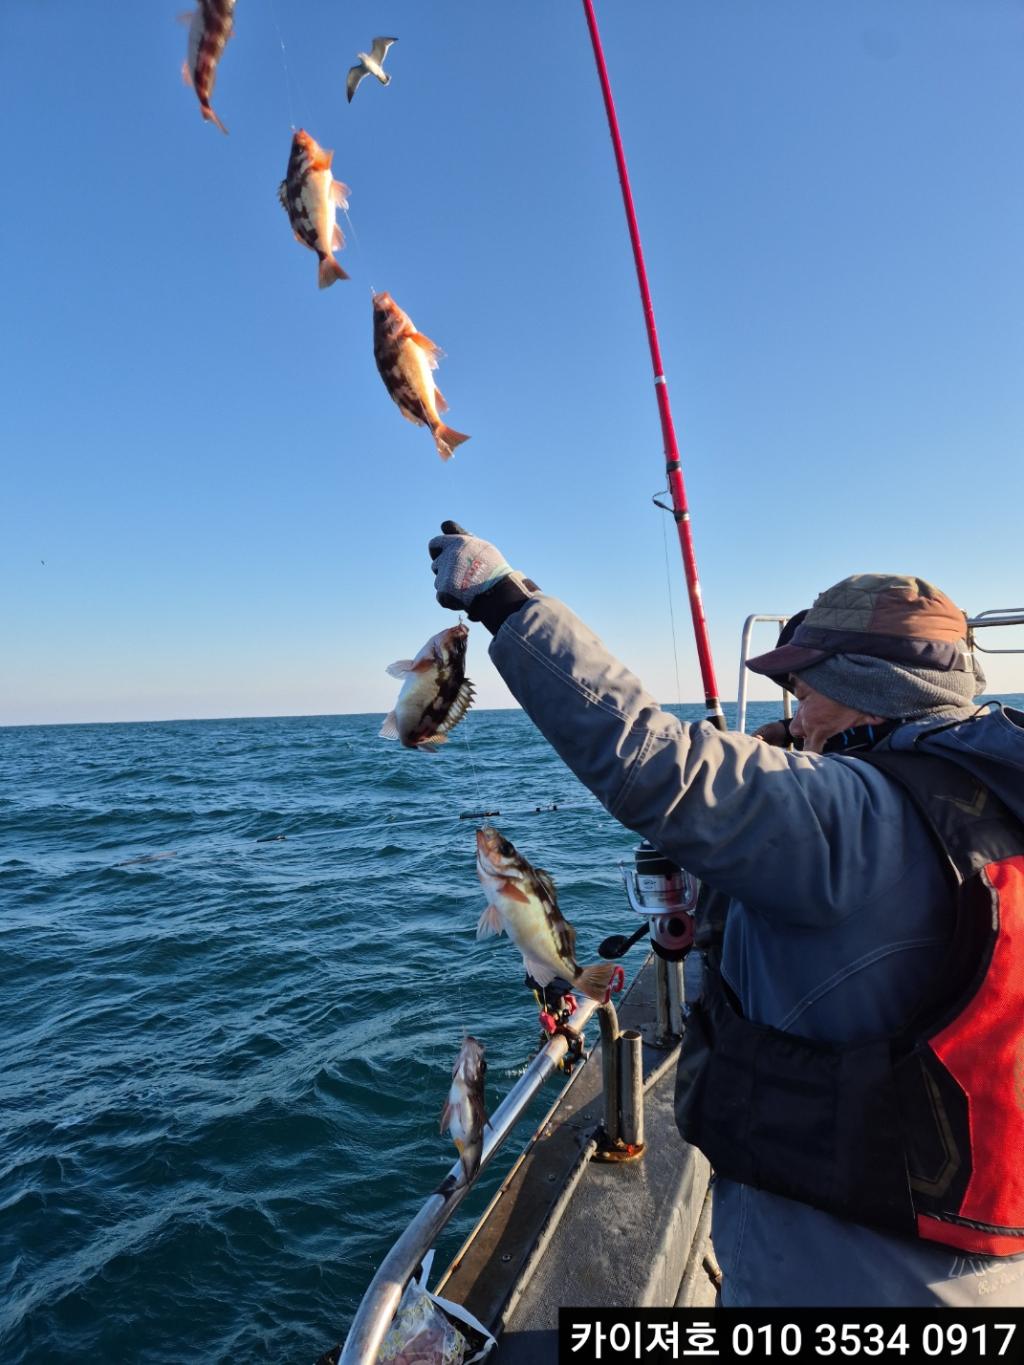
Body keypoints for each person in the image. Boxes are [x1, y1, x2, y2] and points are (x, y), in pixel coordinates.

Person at [427, 521, 1024, 1308]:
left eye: (803, 691)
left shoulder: (853, 816)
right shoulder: (988, 791)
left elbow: (652, 759)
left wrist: (503, 599)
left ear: (859, 688)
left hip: (839, 1283)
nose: (795, 712)